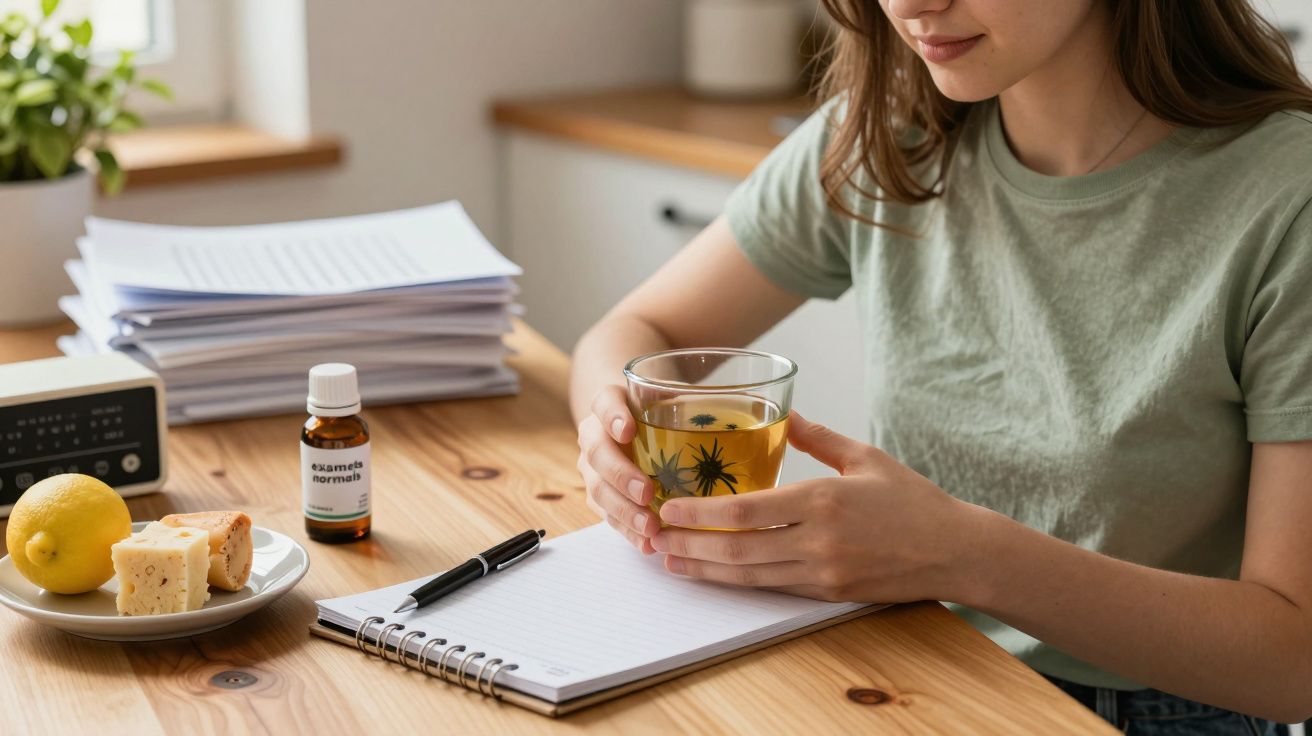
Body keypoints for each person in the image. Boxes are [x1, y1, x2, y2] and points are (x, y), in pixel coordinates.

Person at [570, 0, 1312, 732]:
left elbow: (1293, 664)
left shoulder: (1288, 197)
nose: (910, 5)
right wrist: (610, 427)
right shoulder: (887, 139)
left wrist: (959, 554)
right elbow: (638, 332)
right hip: (896, 667)